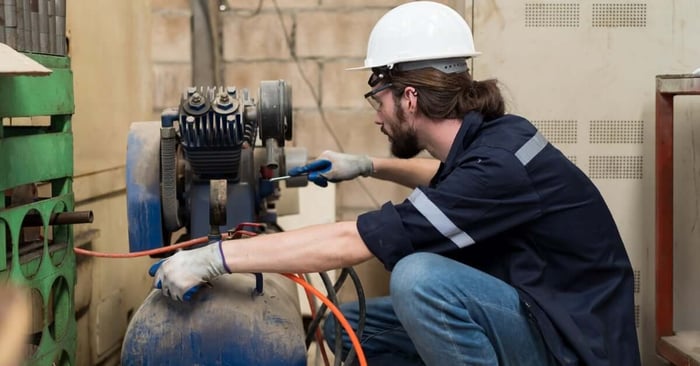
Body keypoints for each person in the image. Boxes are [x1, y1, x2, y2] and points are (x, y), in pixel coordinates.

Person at [150, 1, 641, 365]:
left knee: (419, 279)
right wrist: (367, 165)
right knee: (350, 330)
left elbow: (351, 240)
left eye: (376, 97)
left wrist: (214, 258)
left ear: (409, 98)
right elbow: (446, 180)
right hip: (543, 313)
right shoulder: (496, 139)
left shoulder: (495, 168)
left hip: (573, 346)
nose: (377, 115)